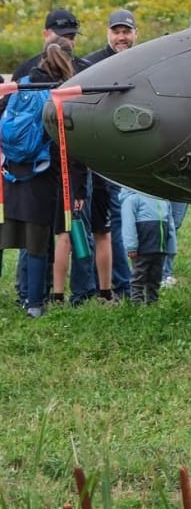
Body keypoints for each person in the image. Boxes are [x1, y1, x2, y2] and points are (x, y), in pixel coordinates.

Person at [0, 38, 85, 319]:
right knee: (38, 243)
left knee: (12, 237)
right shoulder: (58, 93)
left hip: (13, 175)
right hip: (43, 176)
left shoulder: (21, 85)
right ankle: (35, 303)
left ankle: (25, 295)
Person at [79, 8, 140, 300]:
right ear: (108, 33)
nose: (121, 37)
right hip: (97, 156)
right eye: (116, 32)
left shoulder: (142, 64)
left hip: (128, 155)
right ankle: (108, 283)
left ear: (135, 34)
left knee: (117, 220)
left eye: (126, 31)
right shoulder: (91, 65)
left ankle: (119, 281)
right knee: (100, 222)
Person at [119, 184, 177, 304]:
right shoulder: (132, 199)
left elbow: (170, 224)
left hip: (160, 247)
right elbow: (128, 224)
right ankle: (136, 302)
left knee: (156, 276)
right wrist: (131, 246)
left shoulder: (163, 200)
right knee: (139, 275)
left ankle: (153, 301)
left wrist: (171, 246)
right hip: (142, 247)